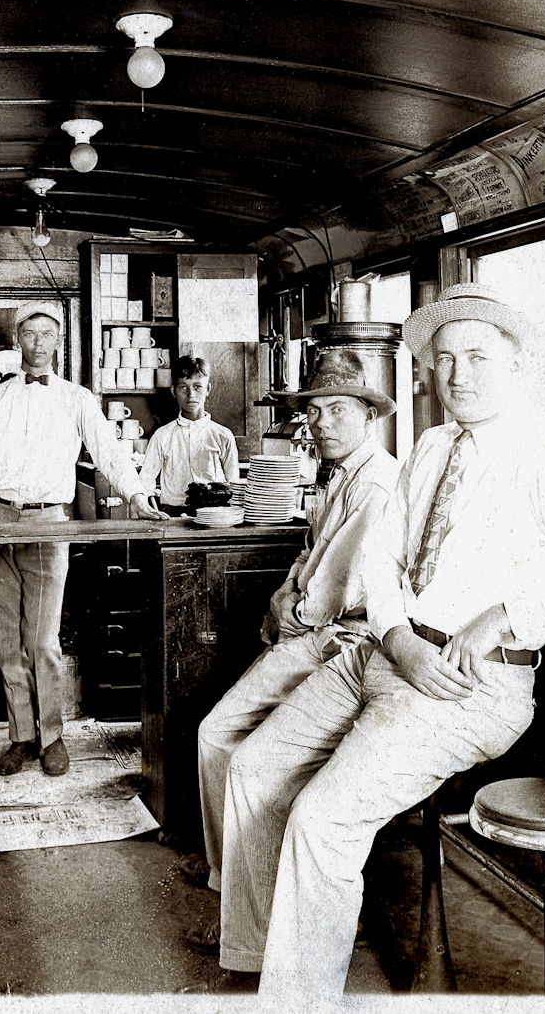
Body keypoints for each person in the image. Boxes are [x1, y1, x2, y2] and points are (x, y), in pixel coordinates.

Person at [217, 283, 545, 998]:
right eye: (445, 359)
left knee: (321, 819)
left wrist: (505, 615)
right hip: (389, 652)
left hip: (466, 684)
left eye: (477, 356)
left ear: (514, 366)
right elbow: (382, 563)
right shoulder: (429, 446)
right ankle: (258, 962)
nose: (459, 375)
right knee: (252, 767)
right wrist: (394, 634)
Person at [193, 350, 397, 924]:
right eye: (315, 411)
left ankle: (239, 893)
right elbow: (310, 555)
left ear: (369, 416)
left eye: (337, 410)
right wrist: (283, 591)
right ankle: (229, 878)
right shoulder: (339, 476)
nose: (322, 422)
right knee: (221, 740)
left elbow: (339, 586)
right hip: (312, 624)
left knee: (220, 737)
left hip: (343, 642)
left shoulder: (376, 485)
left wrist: (294, 615)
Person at [0, 302, 165, 777]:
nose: (38, 343)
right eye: (30, 334)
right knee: (7, 642)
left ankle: (52, 737)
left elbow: (109, 452)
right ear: (17, 341)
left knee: (44, 641)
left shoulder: (78, 399)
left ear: (58, 343)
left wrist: (135, 493)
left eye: (48, 334)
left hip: (50, 523)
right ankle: (21, 738)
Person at [138, 355, 241, 516]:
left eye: (197, 386)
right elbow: (145, 482)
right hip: (173, 515)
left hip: (215, 515)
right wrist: (155, 512)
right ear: (174, 391)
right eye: (183, 387)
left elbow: (233, 485)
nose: (191, 394)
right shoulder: (162, 436)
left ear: (207, 390)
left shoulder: (223, 435)